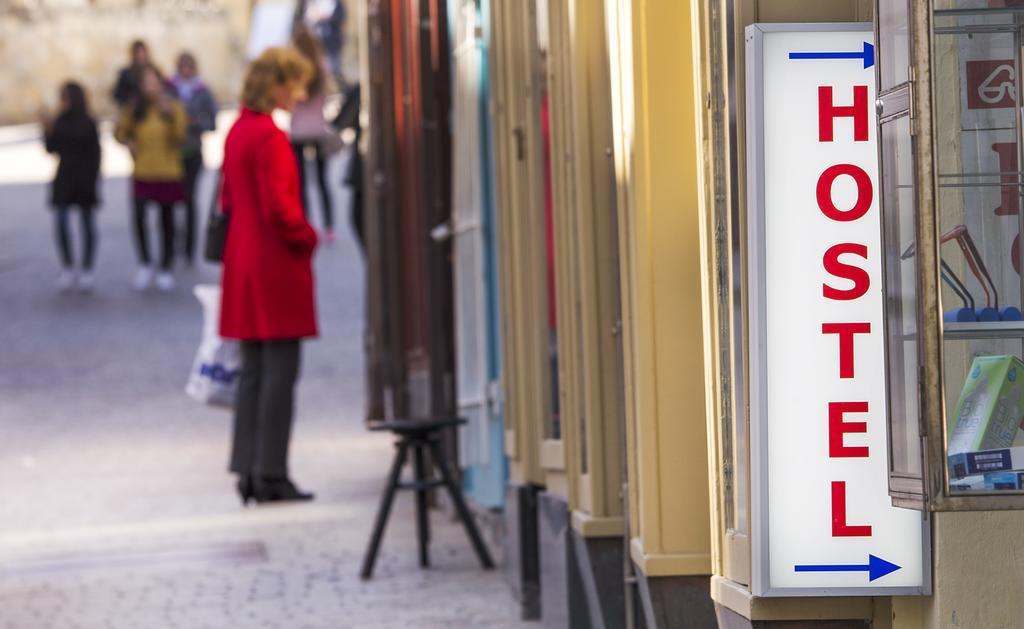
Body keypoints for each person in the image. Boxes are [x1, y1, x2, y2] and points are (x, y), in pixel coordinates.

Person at [220, 47, 319, 504]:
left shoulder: (239, 131)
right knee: (280, 372)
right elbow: (281, 209)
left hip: (242, 260)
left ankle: (247, 467)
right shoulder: (270, 138)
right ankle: (272, 471)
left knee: (253, 373)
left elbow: (228, 200)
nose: (300, 94)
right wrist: (307, 237)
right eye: (295, 84)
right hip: (274, 263)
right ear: (278, 86)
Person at [114, 65, 188, 291]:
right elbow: (119, 132)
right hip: (143, 170)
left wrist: (168, 114)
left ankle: (166, 266)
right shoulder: (135, 109)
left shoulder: (172, 107)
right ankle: (145, 263)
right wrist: (128, 142)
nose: (150, 87)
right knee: (139, 218)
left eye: (153, 81)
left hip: (167, 171)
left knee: (166, 221)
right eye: (145, 82)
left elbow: (180, 137)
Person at [42, 82, 102, 292]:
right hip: (64, 178)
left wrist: (94, 178)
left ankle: (87, 268)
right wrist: (47, 129)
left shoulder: (88, 122)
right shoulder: (59, 121)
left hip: (84, 179)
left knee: (87, 224)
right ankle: (67, 266)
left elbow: (96, 153)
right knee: (61, 222)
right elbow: (51, 149)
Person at [171, 52, 218, 264]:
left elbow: (212, 123)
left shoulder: (203, 91)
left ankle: (189, 248)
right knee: (171, 201)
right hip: (171, 154)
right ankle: (172, 245)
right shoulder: (169, 89)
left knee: (190, 200)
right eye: (183, 66)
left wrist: (195, 122)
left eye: (190, 66)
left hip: (193, 153)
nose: (186, 70)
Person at [290, 26, 336, 243]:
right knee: (322, 181)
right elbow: (327, 95)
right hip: (318, 129)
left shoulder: (293, 71)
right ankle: (329, 226)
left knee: (300, 182)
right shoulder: (321, 67)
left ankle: (305, 222)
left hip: (298, 131)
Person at [304, 0, 346, 85]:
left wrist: (328, 18)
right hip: (318, 41)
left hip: (333, 41)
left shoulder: (336, 2)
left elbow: (341, 16)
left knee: (334, 66)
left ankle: (335, 86)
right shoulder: (313, 3)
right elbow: (307, 19)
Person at [112, 40, 152, 108]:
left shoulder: (153, 71)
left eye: (142, 52)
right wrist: (129, 99)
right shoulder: (126, 74)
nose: (140, 55)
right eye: (138, 53)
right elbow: (118, 95)